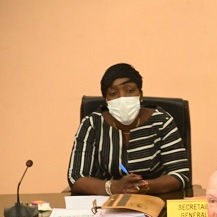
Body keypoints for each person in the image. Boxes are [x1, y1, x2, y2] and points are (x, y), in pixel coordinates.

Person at [67, 63, 190, 195]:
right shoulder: (92, 124)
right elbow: (76, 177)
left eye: (130, 91)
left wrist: (144, 186)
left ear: (140, 95)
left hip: (154, 199)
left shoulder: (162, 121)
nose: (122, 98)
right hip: (105, 202)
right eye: (113, 93)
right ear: (106, 100)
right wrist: (113, 187)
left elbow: (180, 174)